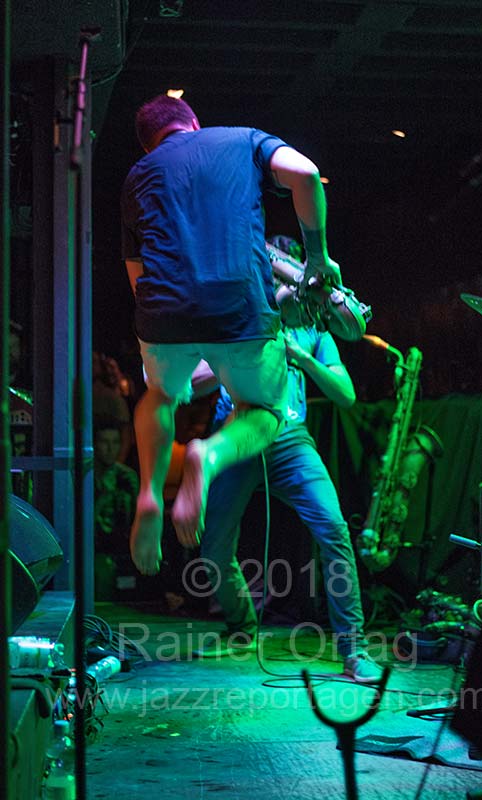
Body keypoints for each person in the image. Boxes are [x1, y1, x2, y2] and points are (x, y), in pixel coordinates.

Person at [121, 94, 341, 576]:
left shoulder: (139, 174)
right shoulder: (243, 140)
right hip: (239, 311)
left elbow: (137, 275)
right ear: (194, 124)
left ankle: (149, 493)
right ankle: (208, 455)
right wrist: (317, 257)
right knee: (265, 409)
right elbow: (306, 174)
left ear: (149, 146)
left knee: (160, 395)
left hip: (164, 316)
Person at [195, 236, 381, 684]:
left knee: (333, 528)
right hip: (237, 434)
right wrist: (239, 349)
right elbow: (194, 383)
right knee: (213, 547)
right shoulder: (240, 311)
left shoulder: (314, 327)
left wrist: (301, 358)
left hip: (289, 439)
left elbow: (346, 394)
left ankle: (353, 650)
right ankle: (241, 626)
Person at [93, 416, 139, 599]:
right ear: (94, 445)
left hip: (123, 548)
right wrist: (104, 497)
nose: (110, 448)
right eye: (104, 442)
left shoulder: (126, 477)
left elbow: (135, 519)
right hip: (94, 550)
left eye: (115, 442)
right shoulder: (86, 476)